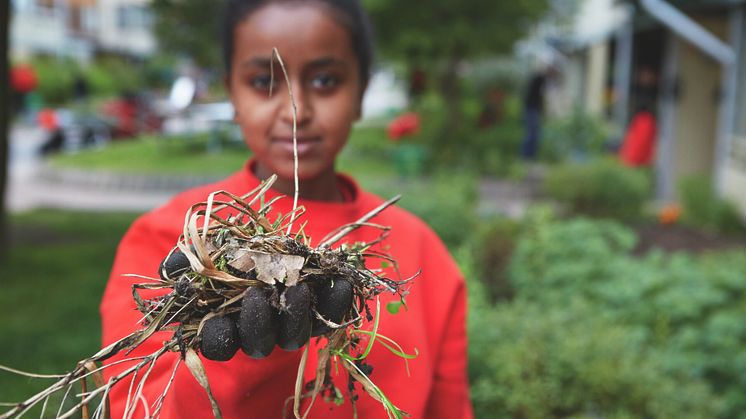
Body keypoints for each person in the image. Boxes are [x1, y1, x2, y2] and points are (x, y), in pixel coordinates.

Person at [100, 1, 473, 418]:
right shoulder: (171, 242)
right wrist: (242, 356)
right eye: (263, 81)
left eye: (326, 80)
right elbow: (136, 404)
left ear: (361, 93)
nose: (296, 110)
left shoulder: (420, 254)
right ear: (232, 93)